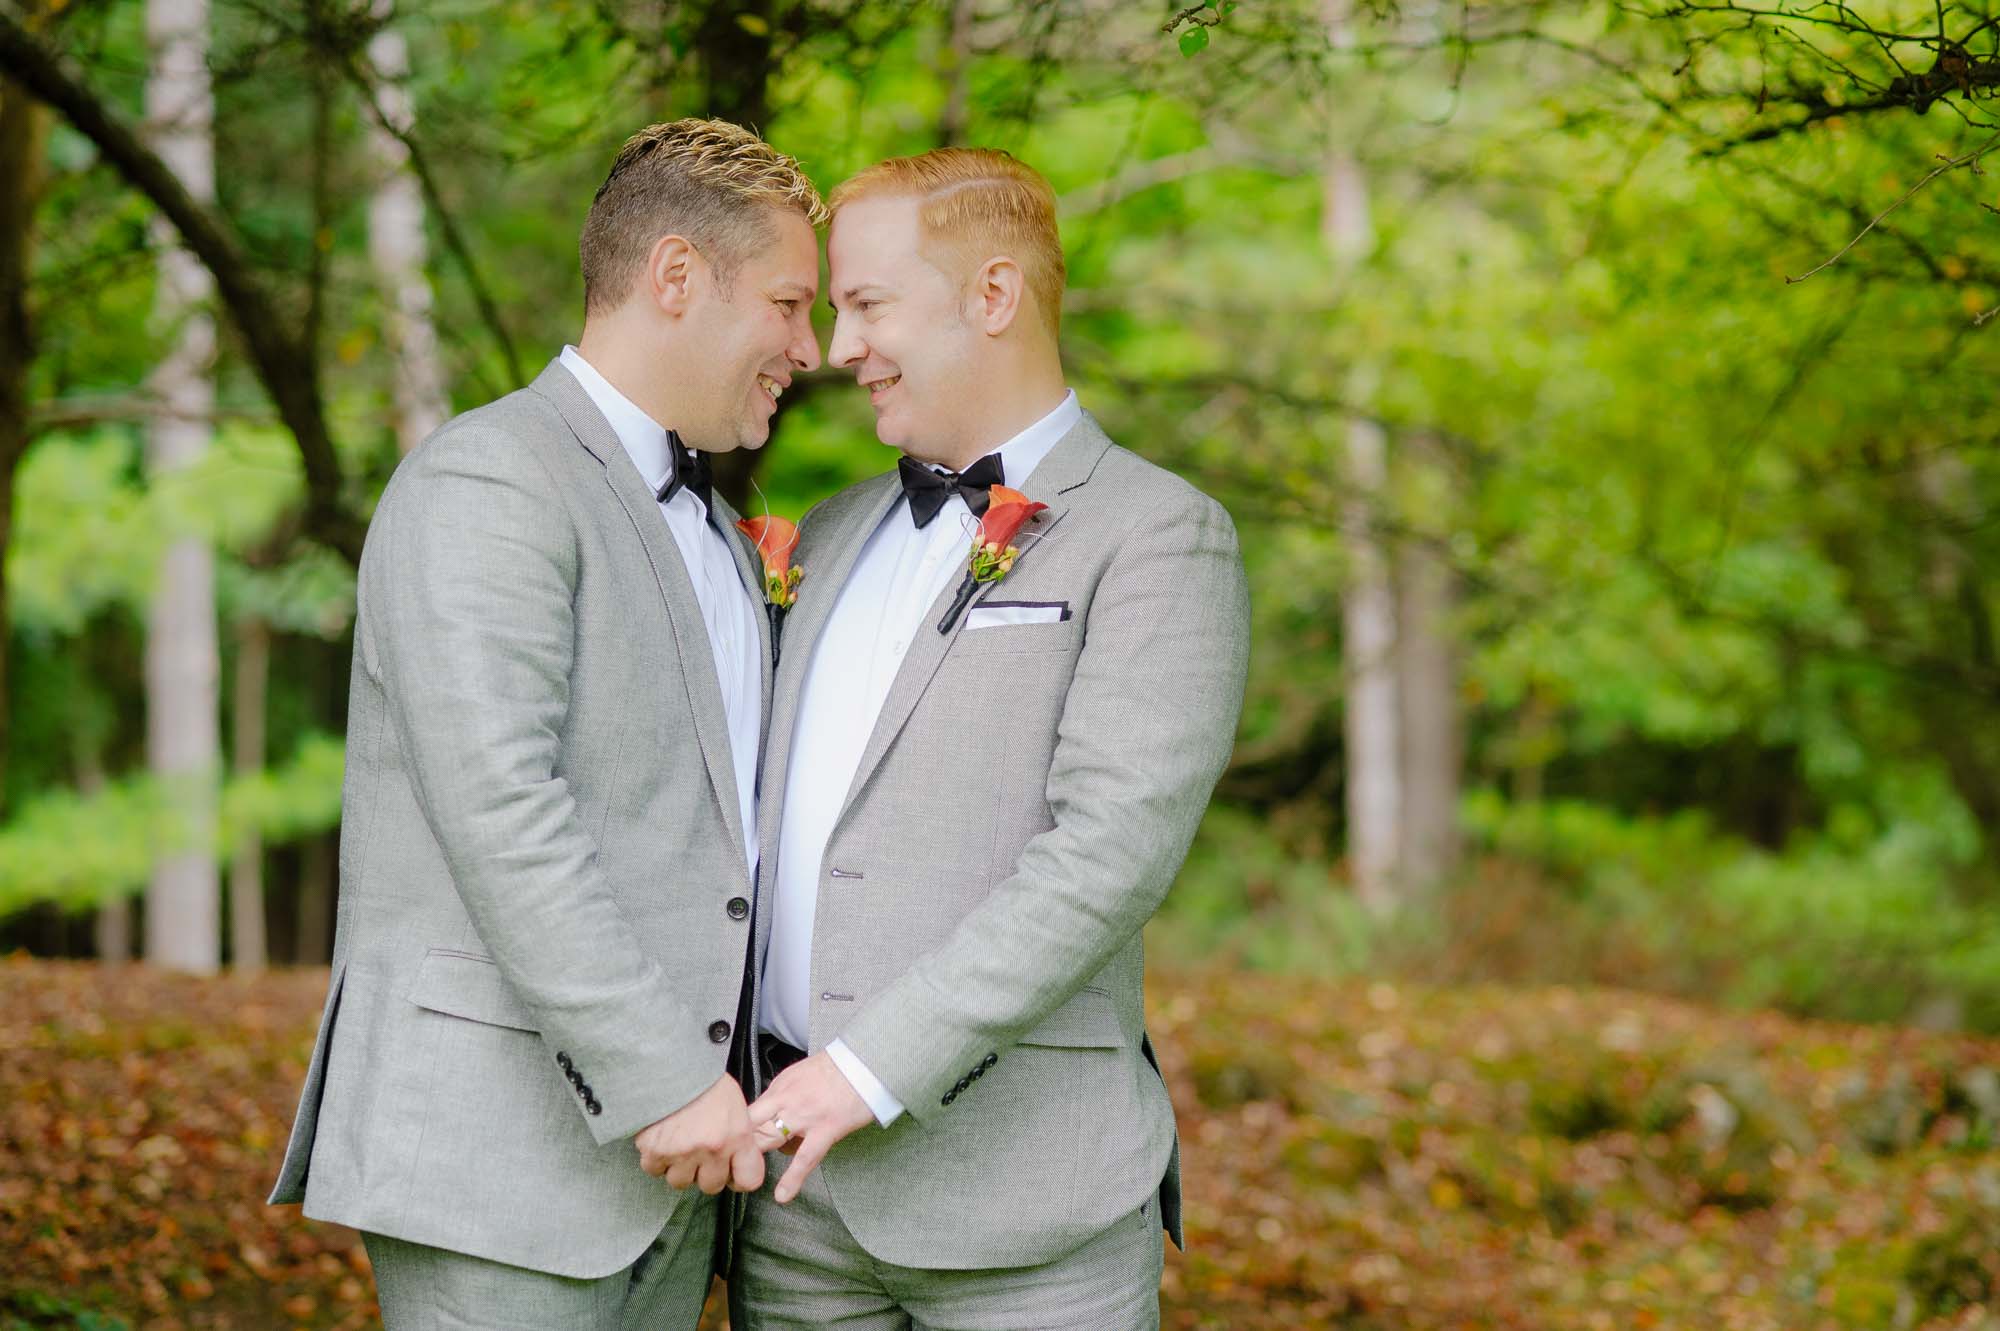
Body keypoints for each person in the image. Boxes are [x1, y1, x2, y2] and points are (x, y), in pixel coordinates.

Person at [267, 118, 823, 1329]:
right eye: (787, 304)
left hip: (677, 1185)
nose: (810, 347)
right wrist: (669, 1080)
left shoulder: (726, 537)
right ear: (675, 276)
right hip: (499, 1166)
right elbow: (502, 811)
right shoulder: (488, 482)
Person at [731, 147, 1251, 1330]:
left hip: (1033, 1219)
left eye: (866, 304)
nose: (839, 347)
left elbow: (1106, 856)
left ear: (993, 295)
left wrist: (864, 1072)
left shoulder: (1159, 536)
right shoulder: (826, 534)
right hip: (793, 1211)